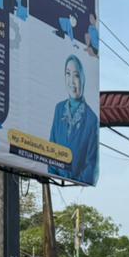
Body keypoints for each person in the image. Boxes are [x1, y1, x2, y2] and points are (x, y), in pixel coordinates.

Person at [47, 55, 99, 183]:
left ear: (83, 78)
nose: (72, 81)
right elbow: (51, 148)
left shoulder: (91, 119)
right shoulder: (59, 109)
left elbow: (91, 166)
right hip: (56, 179)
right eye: (68, 74)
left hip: (76, 186)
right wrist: (55, 174)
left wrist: (74, 179)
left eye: (76, 75)